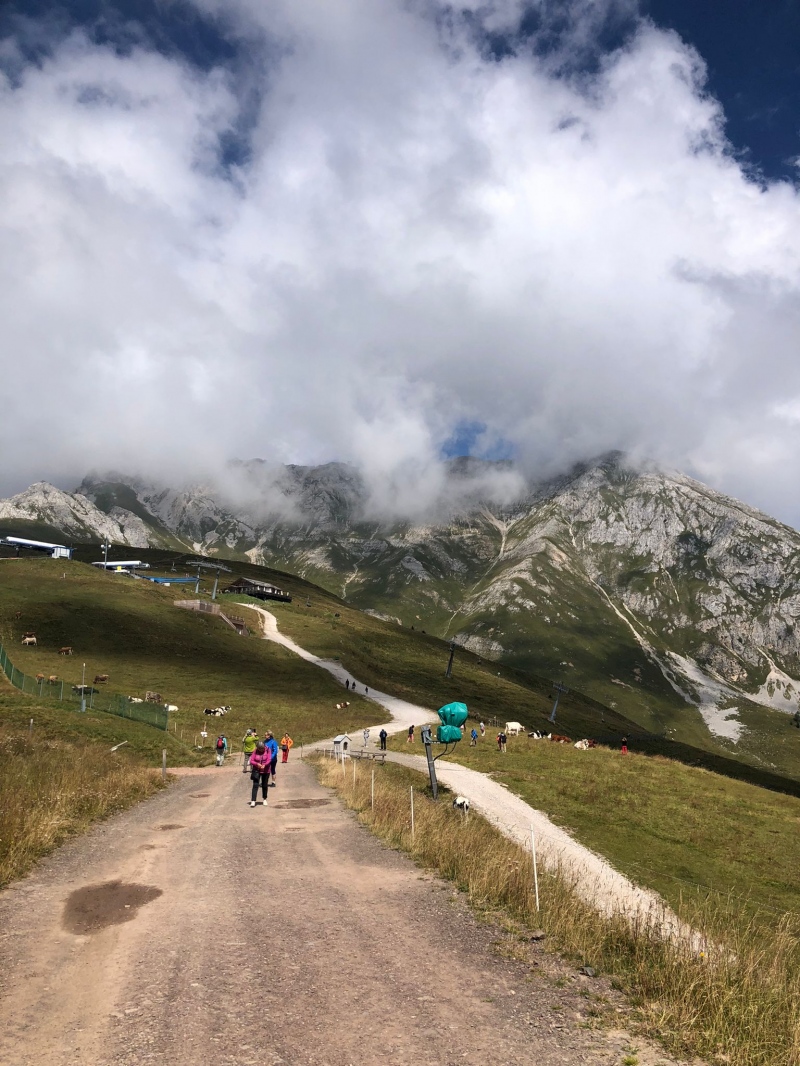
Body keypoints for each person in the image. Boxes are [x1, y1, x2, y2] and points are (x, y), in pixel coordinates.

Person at [248, 742, 270, 807]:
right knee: (255, 785)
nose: (261, 750)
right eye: (259, 749)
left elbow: (269, 759)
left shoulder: (268, 750)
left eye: (262, 749)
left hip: (266, 770)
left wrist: (265, 765)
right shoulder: (255, 751)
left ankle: (264, 799)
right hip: (256, 770)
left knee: (264, 785)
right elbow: (251, 760)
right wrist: (257, 764)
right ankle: (253, 800)